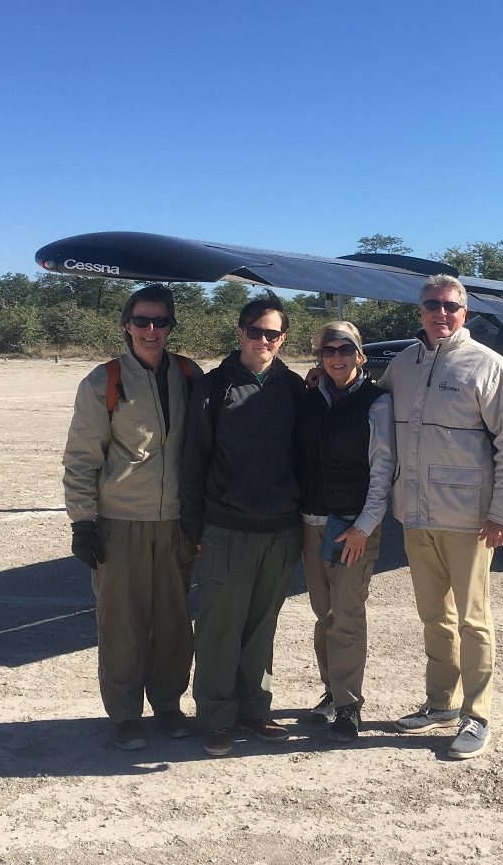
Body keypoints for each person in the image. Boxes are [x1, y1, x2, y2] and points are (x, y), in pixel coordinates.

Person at [381, 274, 503, 760]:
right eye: (432, 305)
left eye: (450, 306)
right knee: (434, 617)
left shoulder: (490, 367)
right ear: (420, 310)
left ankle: (477, 715)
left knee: (473, 619)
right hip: (415, 514)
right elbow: (371, 406)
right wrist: (322, 380)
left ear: (464, 312)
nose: (440, 313)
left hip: (470, 519)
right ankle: (439, 703)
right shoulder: (403, 364)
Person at [62, 284, 203, 750]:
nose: (150, 329)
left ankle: (168, 705)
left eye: (160, 321)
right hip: (119, 523)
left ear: (171, 327)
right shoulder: (102, 382)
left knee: (173, 625)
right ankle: (125, 715)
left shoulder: (188, 374)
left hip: (175, 523)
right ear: (127, 324)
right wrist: (82, 522)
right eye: (141, 320)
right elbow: (81, 458)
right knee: (122, 625)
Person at [180, 294, 305, 758]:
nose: (263, 340)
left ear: (283, 339)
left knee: (261, 626)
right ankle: (216, 717)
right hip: (227, 528)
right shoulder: (213, 387)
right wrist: (193, 528)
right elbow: (193, 461)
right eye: (255, 331)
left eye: (272, 334)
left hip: (282, 529)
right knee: (219, 627)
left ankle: (255, 709)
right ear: (240, 332)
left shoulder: (294, 388)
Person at [294, 321, 395, 743]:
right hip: (311, 523)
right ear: (320, 357)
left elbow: (383, 470)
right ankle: (331, 692)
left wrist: (363, 527)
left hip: (353, 528)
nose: (337, 357)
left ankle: (349, 704)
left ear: (360, 354)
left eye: (345, 349)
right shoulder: (310, 397)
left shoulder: (376, 403)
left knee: (347, 615)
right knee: (324, 614)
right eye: (329, 350)